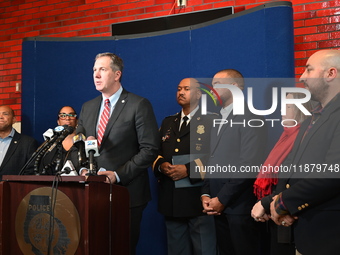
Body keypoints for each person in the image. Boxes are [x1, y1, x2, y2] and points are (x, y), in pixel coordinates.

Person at [77, 52, 159, 255]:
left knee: (121, 248)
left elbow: (149, 149)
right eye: (94, 70)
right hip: (93, 193)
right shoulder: (88, 107)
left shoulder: (138, 104)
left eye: (102, 69)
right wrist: (83, 167)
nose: (96, 74)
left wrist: (118, 175)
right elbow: (77, 143)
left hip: (126, 193)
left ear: (117, 74)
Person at [269, 49, 340, 255]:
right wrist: (277, 203)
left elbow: (332, 174)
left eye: (309, 69)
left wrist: (283, 203)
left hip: (331, 236)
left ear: (331, 73)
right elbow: (291, 166)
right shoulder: (312, 118)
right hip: (308, 232)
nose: (302, 77)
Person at [201, 69, 267, 255]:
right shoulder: (217, 119)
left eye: (216, 84)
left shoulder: (252, 118)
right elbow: (211, 160)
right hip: (217, 206)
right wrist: (205, 193)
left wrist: (222, 199)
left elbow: (248, 165)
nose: (212, 89)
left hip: (239, 208)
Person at [152, 78, 216, 255]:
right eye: (179, 88)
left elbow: (218, 157)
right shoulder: (168, 122)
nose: (181, 92)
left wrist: (188, 169)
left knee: (205, 250)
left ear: (198, 94)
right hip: (171, 199)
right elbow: (155, 153)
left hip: (199, 199)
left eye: (187, 89)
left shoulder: (211, 121)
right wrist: (161, 165)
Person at [251, 93, 314, 255]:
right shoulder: (285, 136)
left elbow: (293, 180)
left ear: (300, 110)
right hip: (275, 212)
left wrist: (267, 204)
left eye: (288, 107)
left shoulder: (304, 137)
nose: (281, 111)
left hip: (291, 215)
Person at [39, 106, 80, 175]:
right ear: (58, 122)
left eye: (71, 115)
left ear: (77, 121)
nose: (67, 118)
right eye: (63, 115)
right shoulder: (50, 143)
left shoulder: (83, 142)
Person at [0, 105, 37, 179]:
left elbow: (30, 172)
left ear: (14, 119)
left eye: (5, 114)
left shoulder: (28, 143)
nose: (1, 117)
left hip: (13, 189)